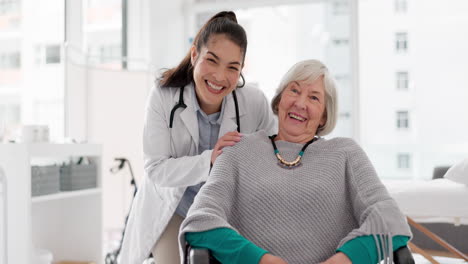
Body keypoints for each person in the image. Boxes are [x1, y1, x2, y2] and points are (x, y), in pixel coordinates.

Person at [179, 60, 412, 264]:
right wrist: (261, 260)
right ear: (280, 99)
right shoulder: (237, 150)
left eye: (313, 97)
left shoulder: (345, 153)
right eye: (294, 90)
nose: (300, 103)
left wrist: (343, 260)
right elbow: (201, 220)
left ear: (324, 115)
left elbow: (389, 217)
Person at [119, 11, 277, 264]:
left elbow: (276, 154)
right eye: (212, 60)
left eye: (232, 67)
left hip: (226, 213)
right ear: (195, 55)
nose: (219, 76)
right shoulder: (164, 95)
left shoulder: (254, 102)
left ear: (241, 70)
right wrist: (210, 161)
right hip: (174, 210)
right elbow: (156, 169)